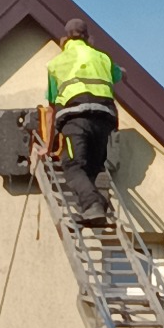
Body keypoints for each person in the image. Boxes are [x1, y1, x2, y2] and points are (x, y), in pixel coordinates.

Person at [45, 18, 121, 224]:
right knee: (94, 167)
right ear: (88, 38)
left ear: (65, 40)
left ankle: (93, 206)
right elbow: (119, 75)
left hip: (75, 121)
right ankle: (100, 205)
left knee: (73, 166)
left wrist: (49, 145)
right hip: (104, 122)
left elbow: (52, 105)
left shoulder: (56, 64)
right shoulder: (102, 58)